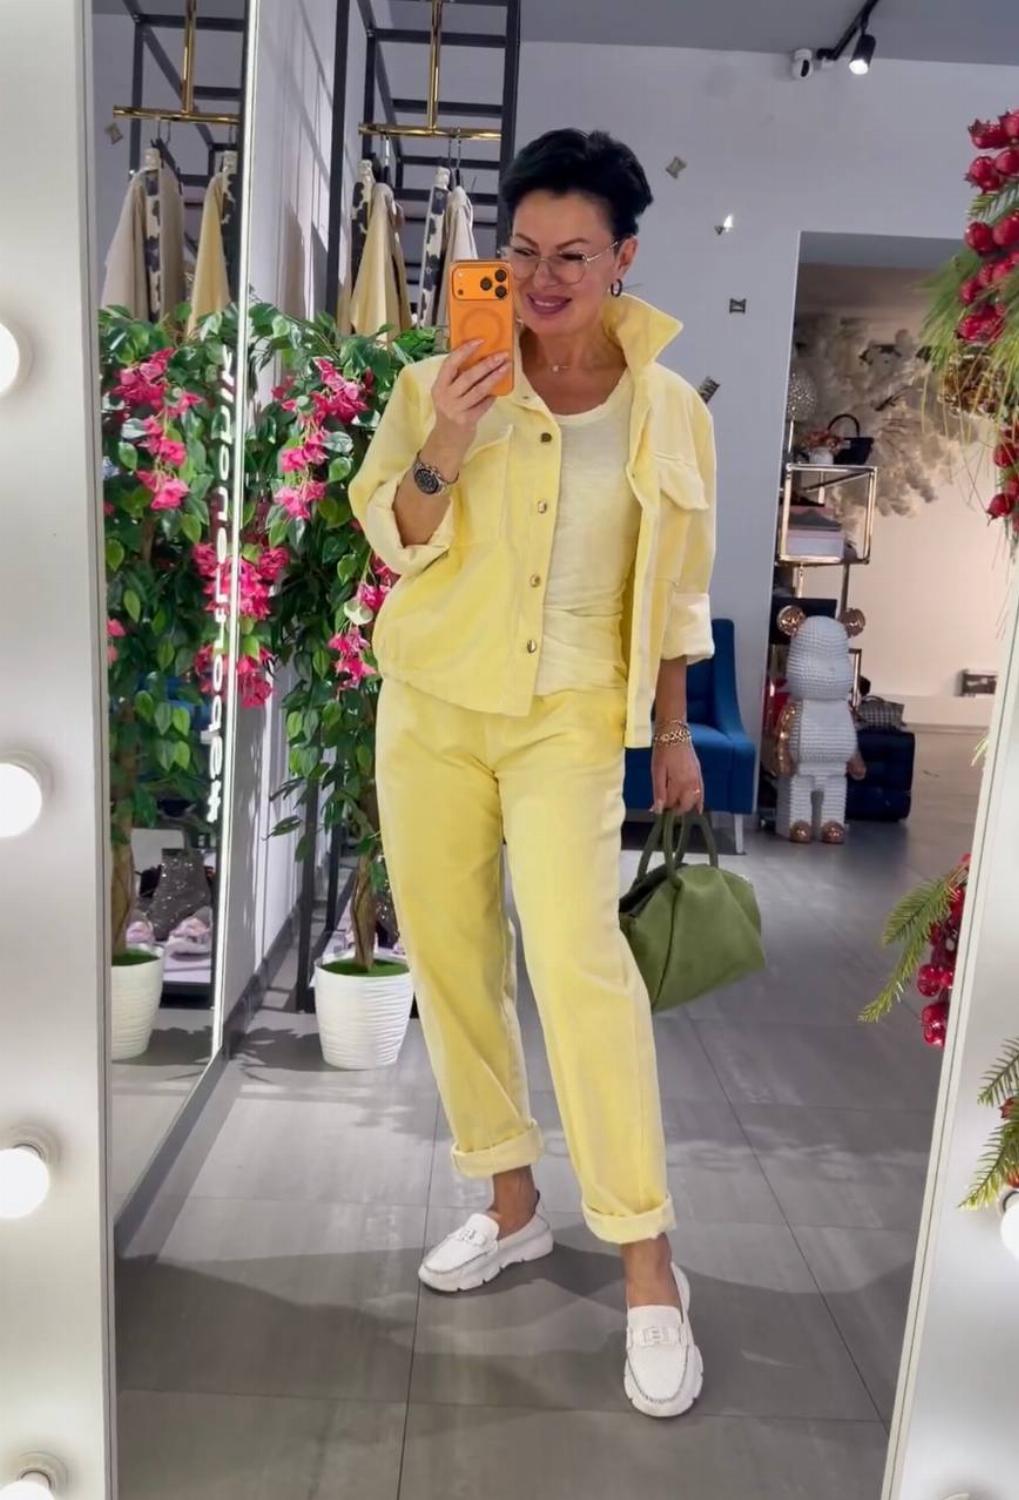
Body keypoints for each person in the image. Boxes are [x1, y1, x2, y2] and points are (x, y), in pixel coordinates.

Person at [350, 128, 716, 1420]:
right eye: (523, 252)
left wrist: (674, 731)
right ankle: (510, 1204)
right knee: (454, 959)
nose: (544, 279)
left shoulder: (669, 409)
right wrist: (447, 438)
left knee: (578, 967)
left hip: (570, 718)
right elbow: (394, 537)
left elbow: (678, 594)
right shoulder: (441, 378)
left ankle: (650, 1264)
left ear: (625, 258)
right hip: (434, 704)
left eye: (573, 255)